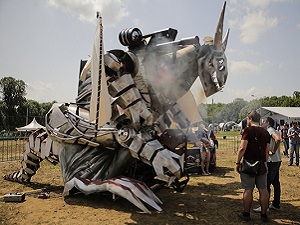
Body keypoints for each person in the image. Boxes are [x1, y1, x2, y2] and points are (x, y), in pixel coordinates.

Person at [235, 110, 270, 222]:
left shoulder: (247, 130)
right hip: (262, 164)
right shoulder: (265, 132)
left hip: (249, 164)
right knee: (263, 189)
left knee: (248, 190)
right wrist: (264, 163)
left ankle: (246, 214)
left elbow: (242, 148)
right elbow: (267, 151)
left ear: (249, 119)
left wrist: (237, 162)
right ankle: (264, 215)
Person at [254, 117, 281, 212]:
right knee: (276, 183)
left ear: (268, 123)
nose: (262, 123)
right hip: (277, 160)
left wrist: (273, 151)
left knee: (266, 184)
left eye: (264, 121)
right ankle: (276, 204)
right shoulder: (274, 130)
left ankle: (264, 206)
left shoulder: (269, 130)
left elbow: (278, 139)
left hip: (272, 161)